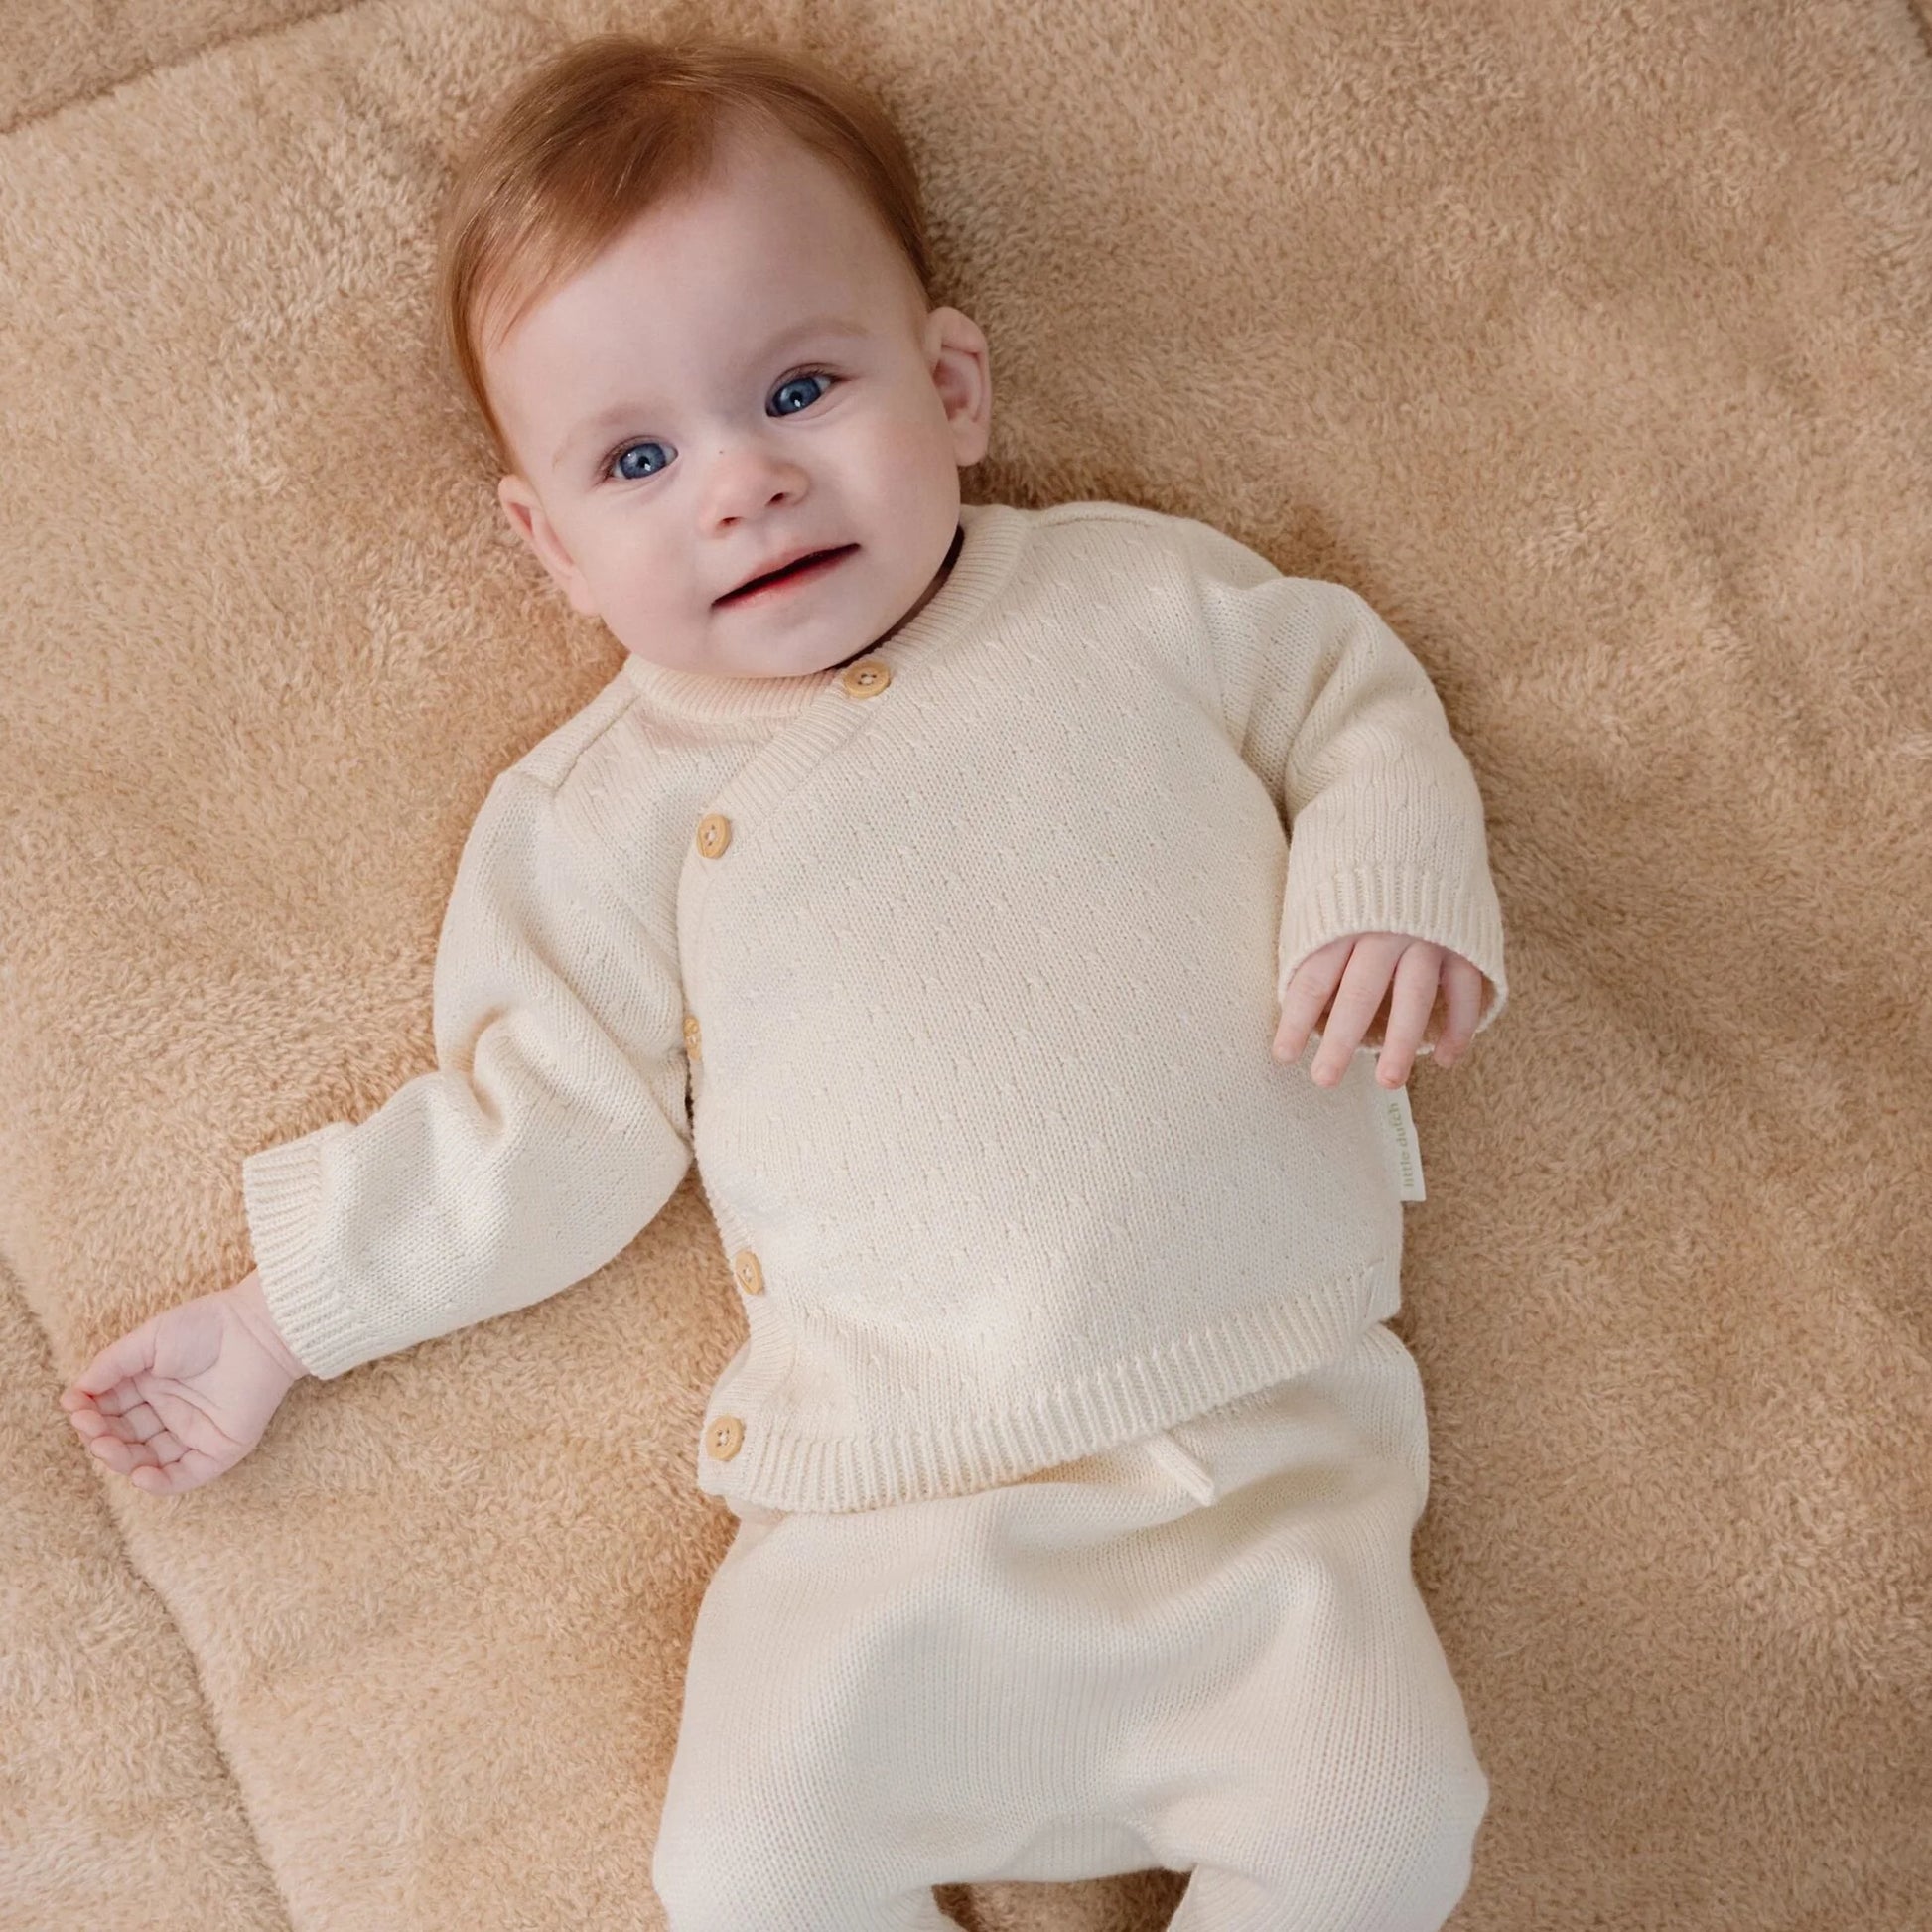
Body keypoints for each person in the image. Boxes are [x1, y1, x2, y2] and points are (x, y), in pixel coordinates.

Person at [60, 32, 1511, 1929]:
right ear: (551, 545)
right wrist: (282, 1318)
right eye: (637, 459)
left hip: (1259, 1457)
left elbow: (1350, 697)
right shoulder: (605, 813)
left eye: (801, 389)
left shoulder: (1139, 600)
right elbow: (536, 1124)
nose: (741, 483)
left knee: (1385, 1821)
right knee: (746, 1869)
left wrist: (1386, 889)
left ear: (952, 386)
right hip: (876, 1505)